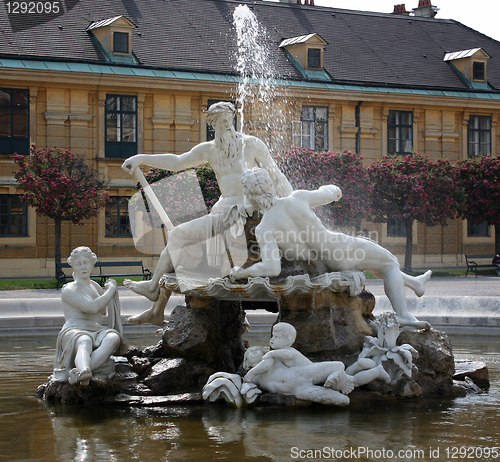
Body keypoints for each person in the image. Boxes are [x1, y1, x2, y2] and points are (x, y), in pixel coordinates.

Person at [121, 102, 292, 325]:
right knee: (178, 237)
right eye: (221, 122)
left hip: (246, 211)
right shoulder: (209, 149)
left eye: (229, 120)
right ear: (212, 124)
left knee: (180, 239)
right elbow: (176, 162)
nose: (227, 125)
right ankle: (155, 294)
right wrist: (142, 158)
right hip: (222, 212)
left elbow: (276, 175)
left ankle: (154, 292)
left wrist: (292, 203)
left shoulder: (251, 144)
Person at [230, 168, 432, 329]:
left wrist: (242, 272)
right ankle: (404, 314)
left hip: (321, 270)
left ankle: (415, 283)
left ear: (249, 196)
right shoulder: (297, 198)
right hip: (340, 251)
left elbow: (271, 268)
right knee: (389, 263)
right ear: (271, 186)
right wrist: (333, 188)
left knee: (378, 263)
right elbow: (330, 193)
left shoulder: (264, 228)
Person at [242, 323, 389, 406]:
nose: (272, 340)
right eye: (250, 351)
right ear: (246, 360)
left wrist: (269, 355)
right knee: (343, 399)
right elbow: (247, 384)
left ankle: (368, 370)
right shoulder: (257, 375)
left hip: (304, 374)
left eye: (257, 350)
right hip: (298, 389)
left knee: (339, 366)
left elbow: (276, 360)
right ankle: (369, 370)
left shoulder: (272, 357)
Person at [53, 247, 126, 386]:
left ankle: (82, 373)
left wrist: (105, 295)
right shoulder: (69, 289)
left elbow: (103, 311)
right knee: (84, 340)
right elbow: (92, 308)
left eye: (86, 263)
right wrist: (110, 290)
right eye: (79, 264)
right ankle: (84, 369)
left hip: (96, 329)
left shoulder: (95, 286)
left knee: (113, 338)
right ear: (73, 266)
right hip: (74, 329)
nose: (83, 267)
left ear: (92, 264)